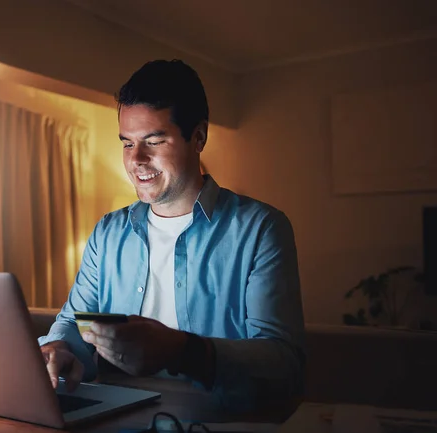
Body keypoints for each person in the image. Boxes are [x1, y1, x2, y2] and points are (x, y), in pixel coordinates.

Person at [38, 59, 305, 411]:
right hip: (111, 416)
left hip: (214, 419)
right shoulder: (107, 233)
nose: (137, 159)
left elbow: (283, 363)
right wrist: (58, 347)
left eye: (154, 141)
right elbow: (74, 323)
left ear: (198, 137)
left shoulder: (261, 229)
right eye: (127, 143)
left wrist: (181, 350)